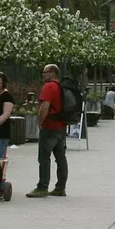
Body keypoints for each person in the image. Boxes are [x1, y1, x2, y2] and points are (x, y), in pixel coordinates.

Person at [26, 64, 69, 198]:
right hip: (61, 127)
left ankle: (42, 187)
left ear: (52, 73)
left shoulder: (49, 86)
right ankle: (60, 187)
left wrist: (40, 122)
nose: (43, 75)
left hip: (50, 127)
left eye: (45, 72)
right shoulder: (61, 86)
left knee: (44, 157)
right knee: (60, 158)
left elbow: (45, 106)